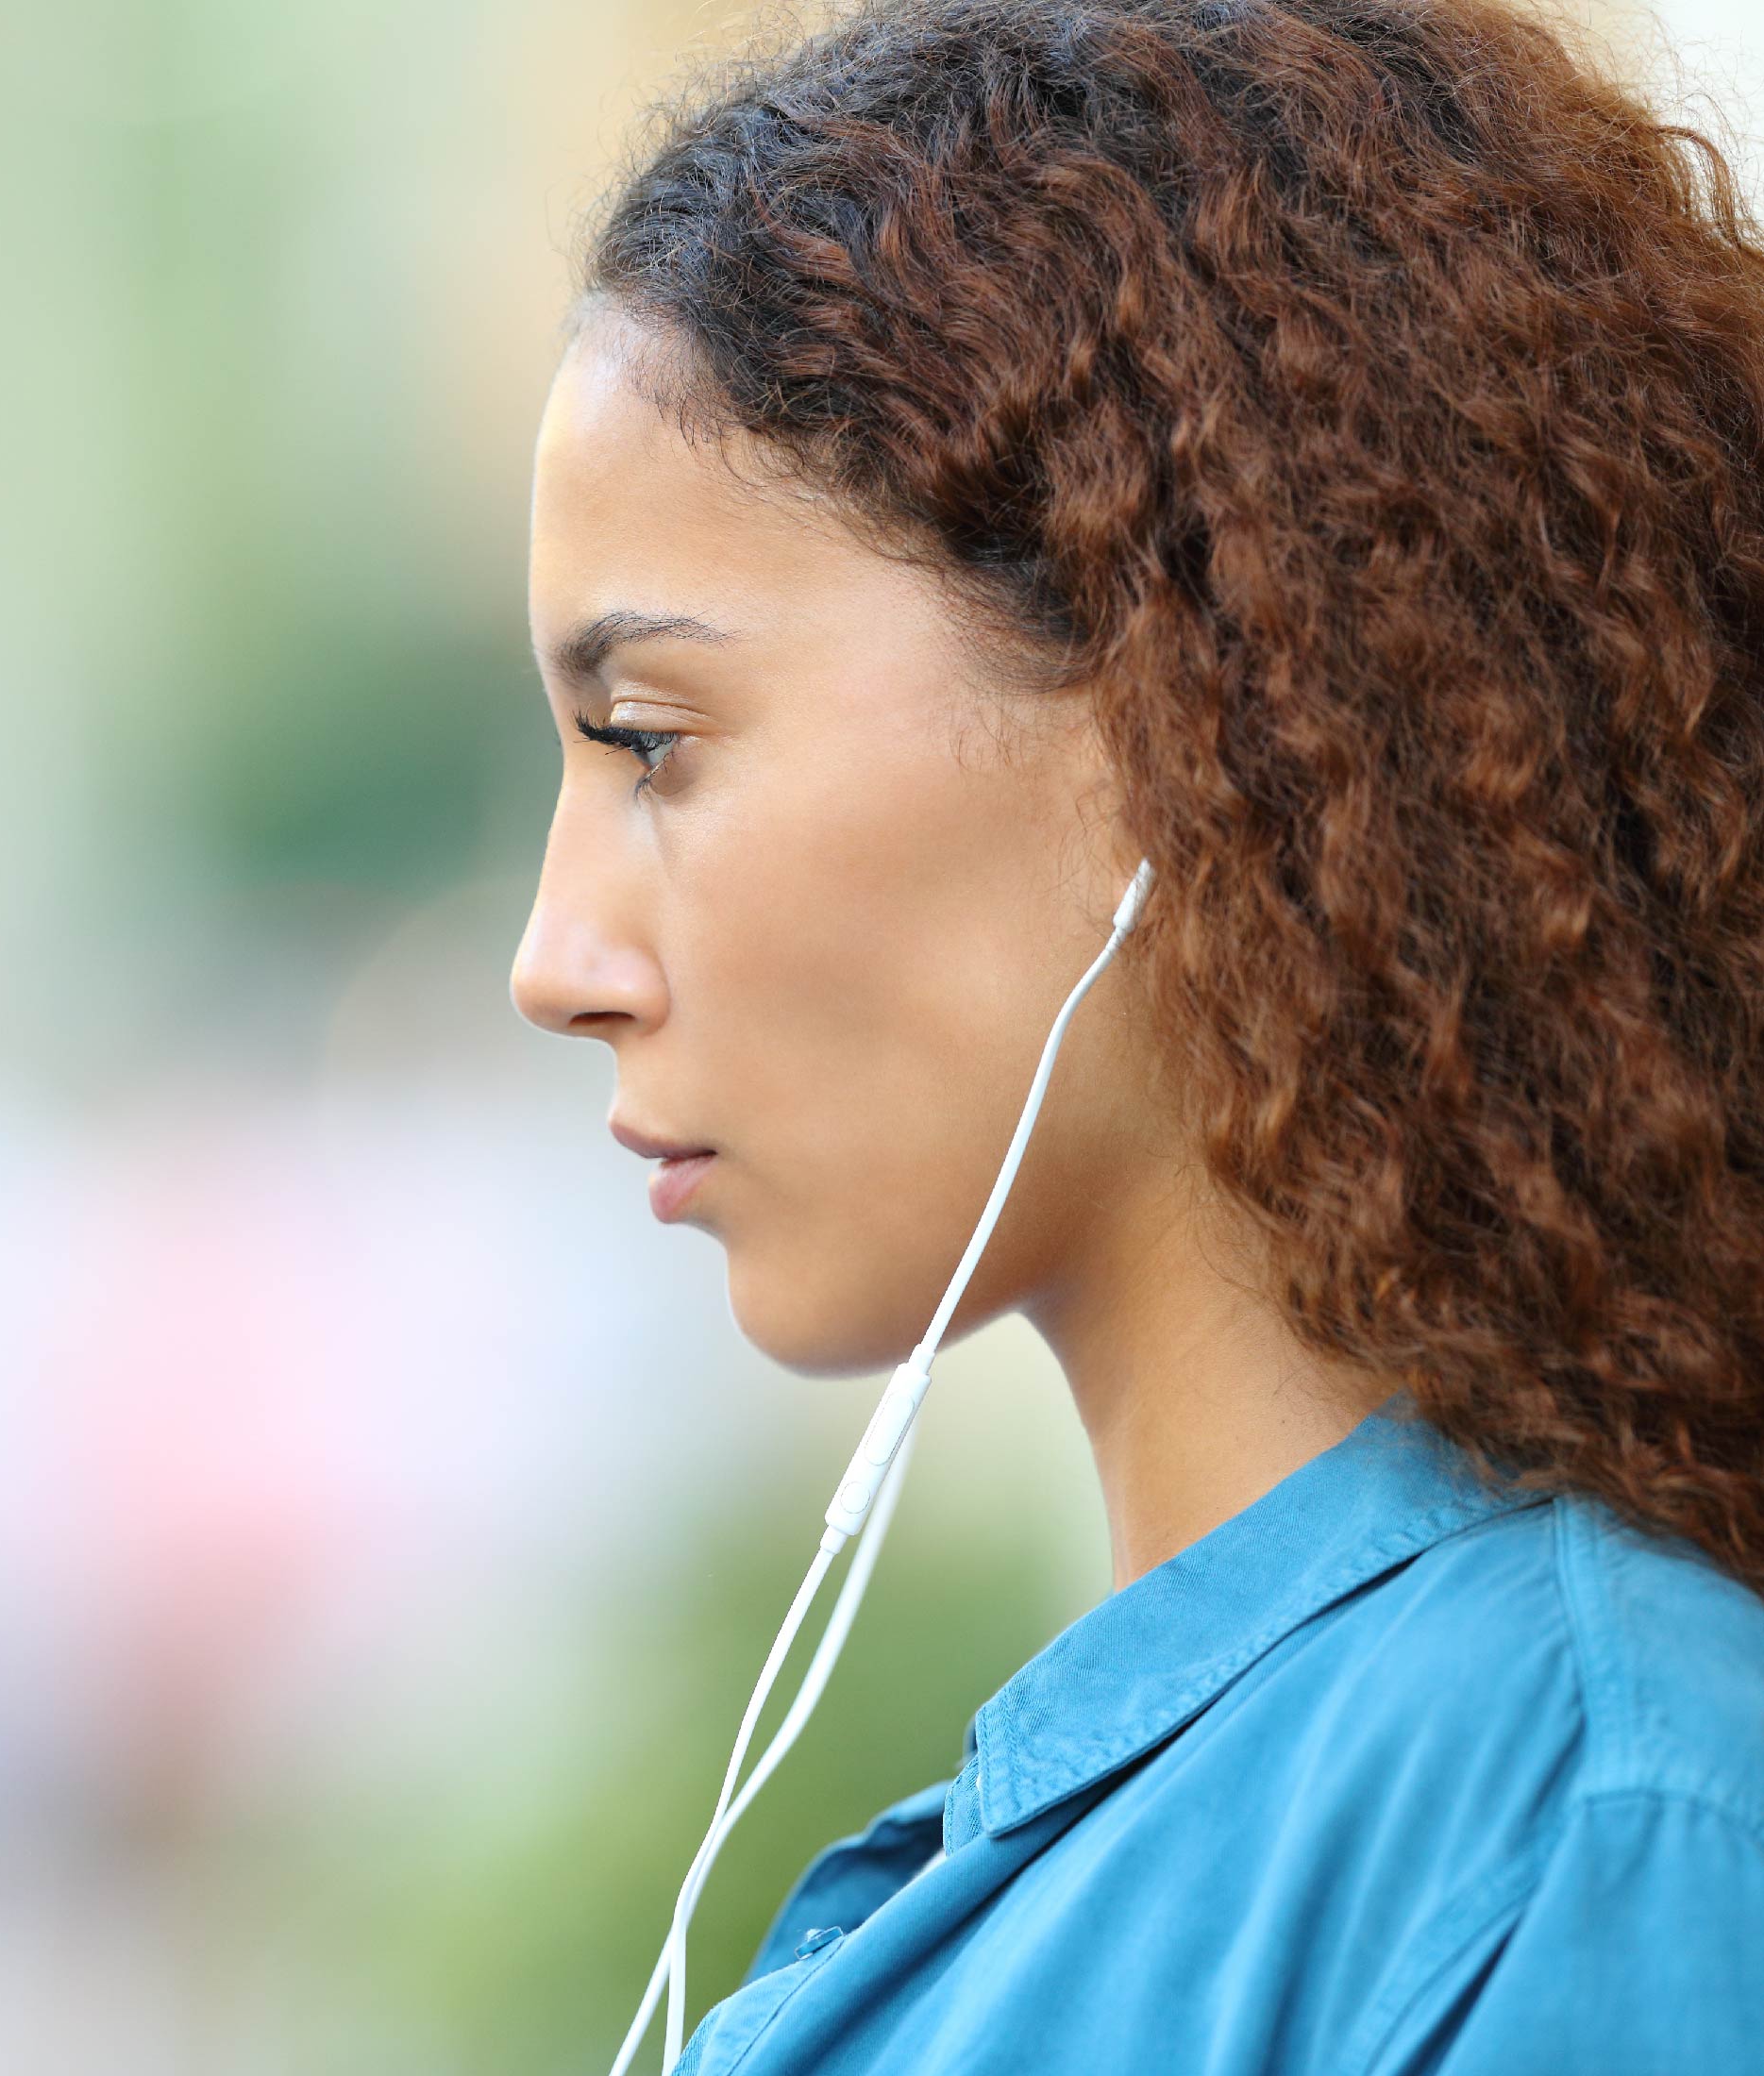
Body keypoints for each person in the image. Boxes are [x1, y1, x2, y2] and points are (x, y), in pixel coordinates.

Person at [507, 1, 1764, 2068]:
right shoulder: (1246, 1783)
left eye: (653, 740)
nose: (558, 955)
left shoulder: (1571, 1832)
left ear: (1184, 715)